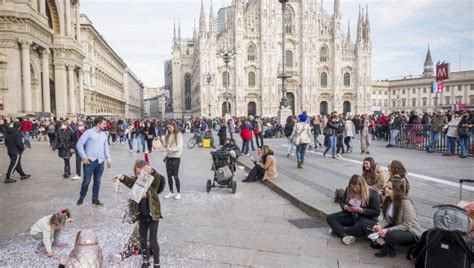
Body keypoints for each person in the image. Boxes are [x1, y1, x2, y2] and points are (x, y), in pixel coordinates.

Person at [113, 160, 162, 267]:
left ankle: (157, 264)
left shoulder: (152, 183)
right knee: (143, 240)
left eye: (143, 173)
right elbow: (129, 181)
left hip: (153, 216)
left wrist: (152, 171)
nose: (141, 176)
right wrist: (122, 177)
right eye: (138, 174)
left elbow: (157, 179)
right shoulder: (136, 183)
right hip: (142, 217)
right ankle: (145, 261)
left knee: (153, 241)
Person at [372, 177, 422, 258]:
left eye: (390, 188)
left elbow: (407, 224)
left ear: (397, 191)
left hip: (410, 231)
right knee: (374, 237)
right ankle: (387, 246)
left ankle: (386, 244)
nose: (386, 189)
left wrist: (387, 230)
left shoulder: (406, 203)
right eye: (386, 187)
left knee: (390, 235)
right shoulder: (388, 200)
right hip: (397, 227)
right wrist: (379, 226)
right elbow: (387, 220)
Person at [326, 175, 380, 245]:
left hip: (365, 219)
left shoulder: (372, 193)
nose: (355, 189)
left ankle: (339, 231)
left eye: (357, 187)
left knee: (360, 227)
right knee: (330, 218)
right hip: (351, 215)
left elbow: (376, 212)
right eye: (353, 187)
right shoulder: (348, 189)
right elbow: (342, 202)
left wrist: (361, 210)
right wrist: (345, 207)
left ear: (362, 185)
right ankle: (345, 236)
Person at [76, 116, 111, 206]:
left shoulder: (104, 134)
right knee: (86, 181)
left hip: (100, 161)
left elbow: (106, 147)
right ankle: (82, 197)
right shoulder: (89, 132)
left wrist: (108, 158)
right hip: (90, 161)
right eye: (104, 123)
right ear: (98, 124)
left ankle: (95, 199)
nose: (105, 125)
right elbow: (79, 144)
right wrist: (84, 157)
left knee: (97, 181)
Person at [163, 121, 183, 200]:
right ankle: (171, 192)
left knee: (175, 175)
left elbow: (179, 147)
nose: (169, 129)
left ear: (174, 127)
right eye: (168, 127)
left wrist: (169, 149)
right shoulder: (168, 134)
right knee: (169, 176)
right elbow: (165, 146)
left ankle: (178, 193)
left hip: (176, 157)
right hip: (168, 157)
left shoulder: (178, 135)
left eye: (170, 127)